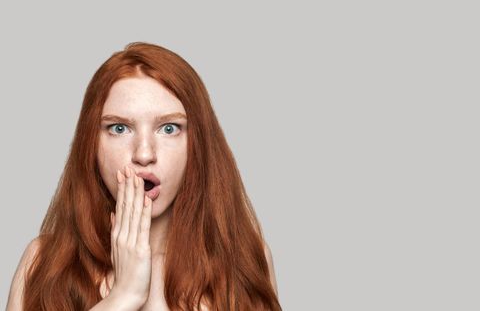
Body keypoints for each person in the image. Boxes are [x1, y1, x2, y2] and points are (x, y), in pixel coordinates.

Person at [6, 42, 281, 311]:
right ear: (91, 143)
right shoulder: (42, 262)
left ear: (198, 144)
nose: (144, 153)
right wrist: (122, 297)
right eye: (119, 128)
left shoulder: (246, 262)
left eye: (169, 128)